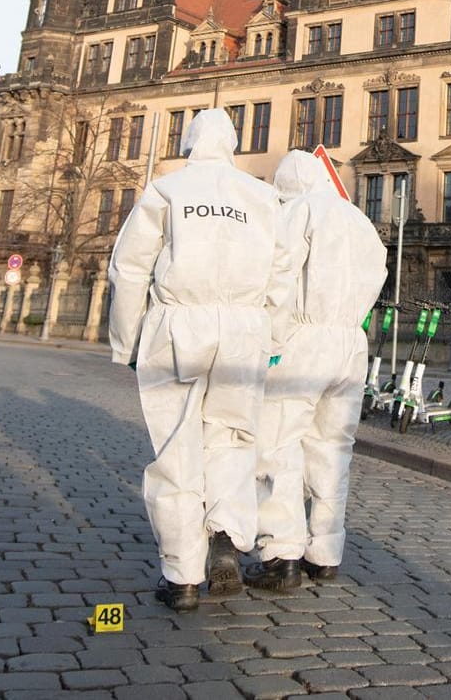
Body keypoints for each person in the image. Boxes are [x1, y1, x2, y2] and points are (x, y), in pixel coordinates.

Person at [108, 109, 287, 612]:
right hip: (244, 328)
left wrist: (126, 342)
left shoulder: (168, 190)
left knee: (177, 444)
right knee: (232, 437)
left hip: (180, 324)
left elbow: (129, 268)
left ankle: (182, 575)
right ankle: (227, 537)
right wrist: (269, 336)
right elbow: (283, 274)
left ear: (189, 143)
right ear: (232, 145)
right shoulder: (262, 195)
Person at [246, 151, 388, 591]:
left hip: (303, 339)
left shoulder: (300, 212)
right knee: (333, 449)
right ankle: (325, 552)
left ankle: (281, 553)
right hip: (349, 342)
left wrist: (269, 339)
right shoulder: (358, 219)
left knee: (278, 443)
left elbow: (280, 278)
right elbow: (379, 271)